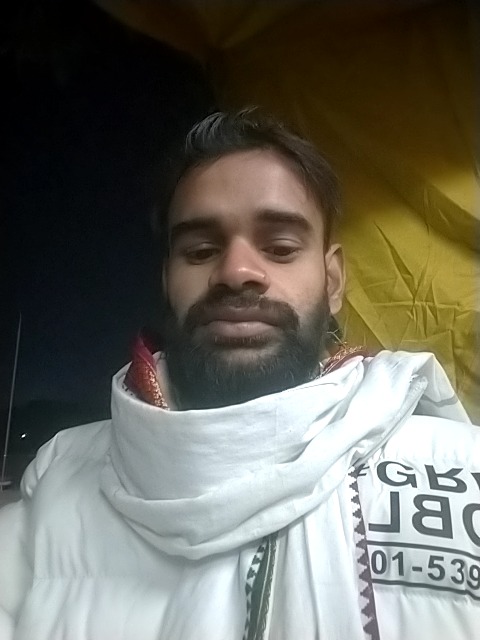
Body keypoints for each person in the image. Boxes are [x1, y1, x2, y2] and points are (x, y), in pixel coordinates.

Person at [1, 109, 479, 640]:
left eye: (280, 248)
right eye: (201, 251)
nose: (236, 272)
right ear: (167, 280)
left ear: (333, 281)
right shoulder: (58, 482)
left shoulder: (462, 467)